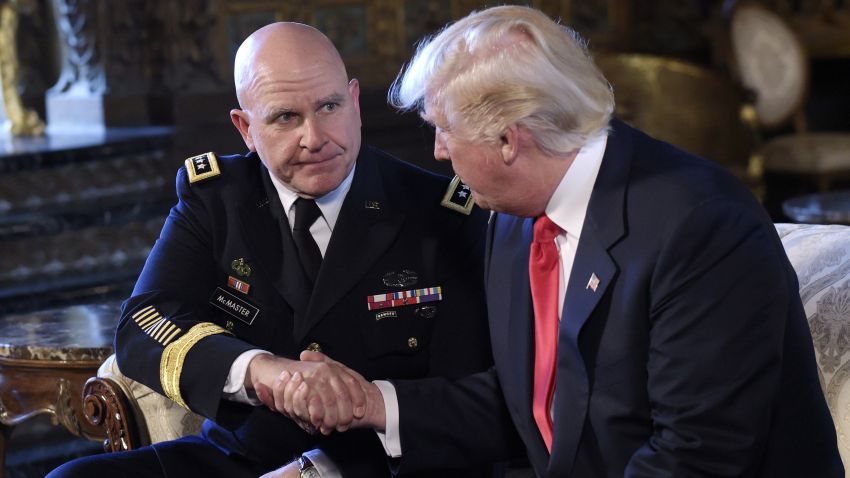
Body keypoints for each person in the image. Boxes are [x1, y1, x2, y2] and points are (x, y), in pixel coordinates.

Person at [267, 5, 844, 477]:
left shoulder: (701, 226)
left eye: (444, 129)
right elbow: (528, 404)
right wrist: (375, 404)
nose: (439, 151)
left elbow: (697, 455)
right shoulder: (514, 217)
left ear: (508, 141)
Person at [47, 22, 495, 478]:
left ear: (355, 103)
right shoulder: (217, 200)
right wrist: (264, 373)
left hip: (383, 466)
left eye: (329, 106)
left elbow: (473, 398)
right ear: (245, 128)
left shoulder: (442, 215)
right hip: (239, 459)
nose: (315, 137)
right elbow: (144, 324)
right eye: (285, 117)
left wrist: (323, 466)